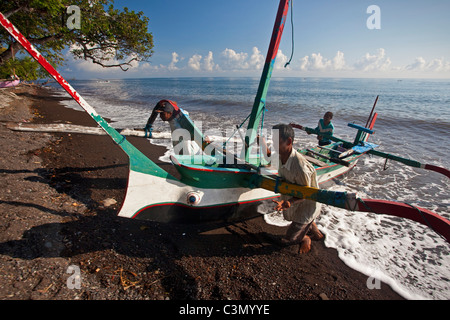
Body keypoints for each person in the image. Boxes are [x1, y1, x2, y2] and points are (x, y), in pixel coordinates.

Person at [270, 124, 323, 254]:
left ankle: (305, 239)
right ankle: (315, 232)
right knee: (299, 219)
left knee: (290, 239)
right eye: (273, 140)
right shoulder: (280, 155)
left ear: (289, 141)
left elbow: (305, 193)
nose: (274, 144)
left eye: (277, 141)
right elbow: (269, 158)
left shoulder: (299, 166)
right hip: (296, 201)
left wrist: (288, 202)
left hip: (307, 204)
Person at [144, 100, 209, 155]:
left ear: (170, 113)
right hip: (175, 115)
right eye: (160, 114)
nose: (160, 116)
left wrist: (203, 141)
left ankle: (196, 154)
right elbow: (154, 114)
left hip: (182, 116)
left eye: (163, 114)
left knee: (184, 141)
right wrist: (148, 125)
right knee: (177, 144)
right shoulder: (160, 104)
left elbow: (192, 128)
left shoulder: (180, 118)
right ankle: (182, 156)